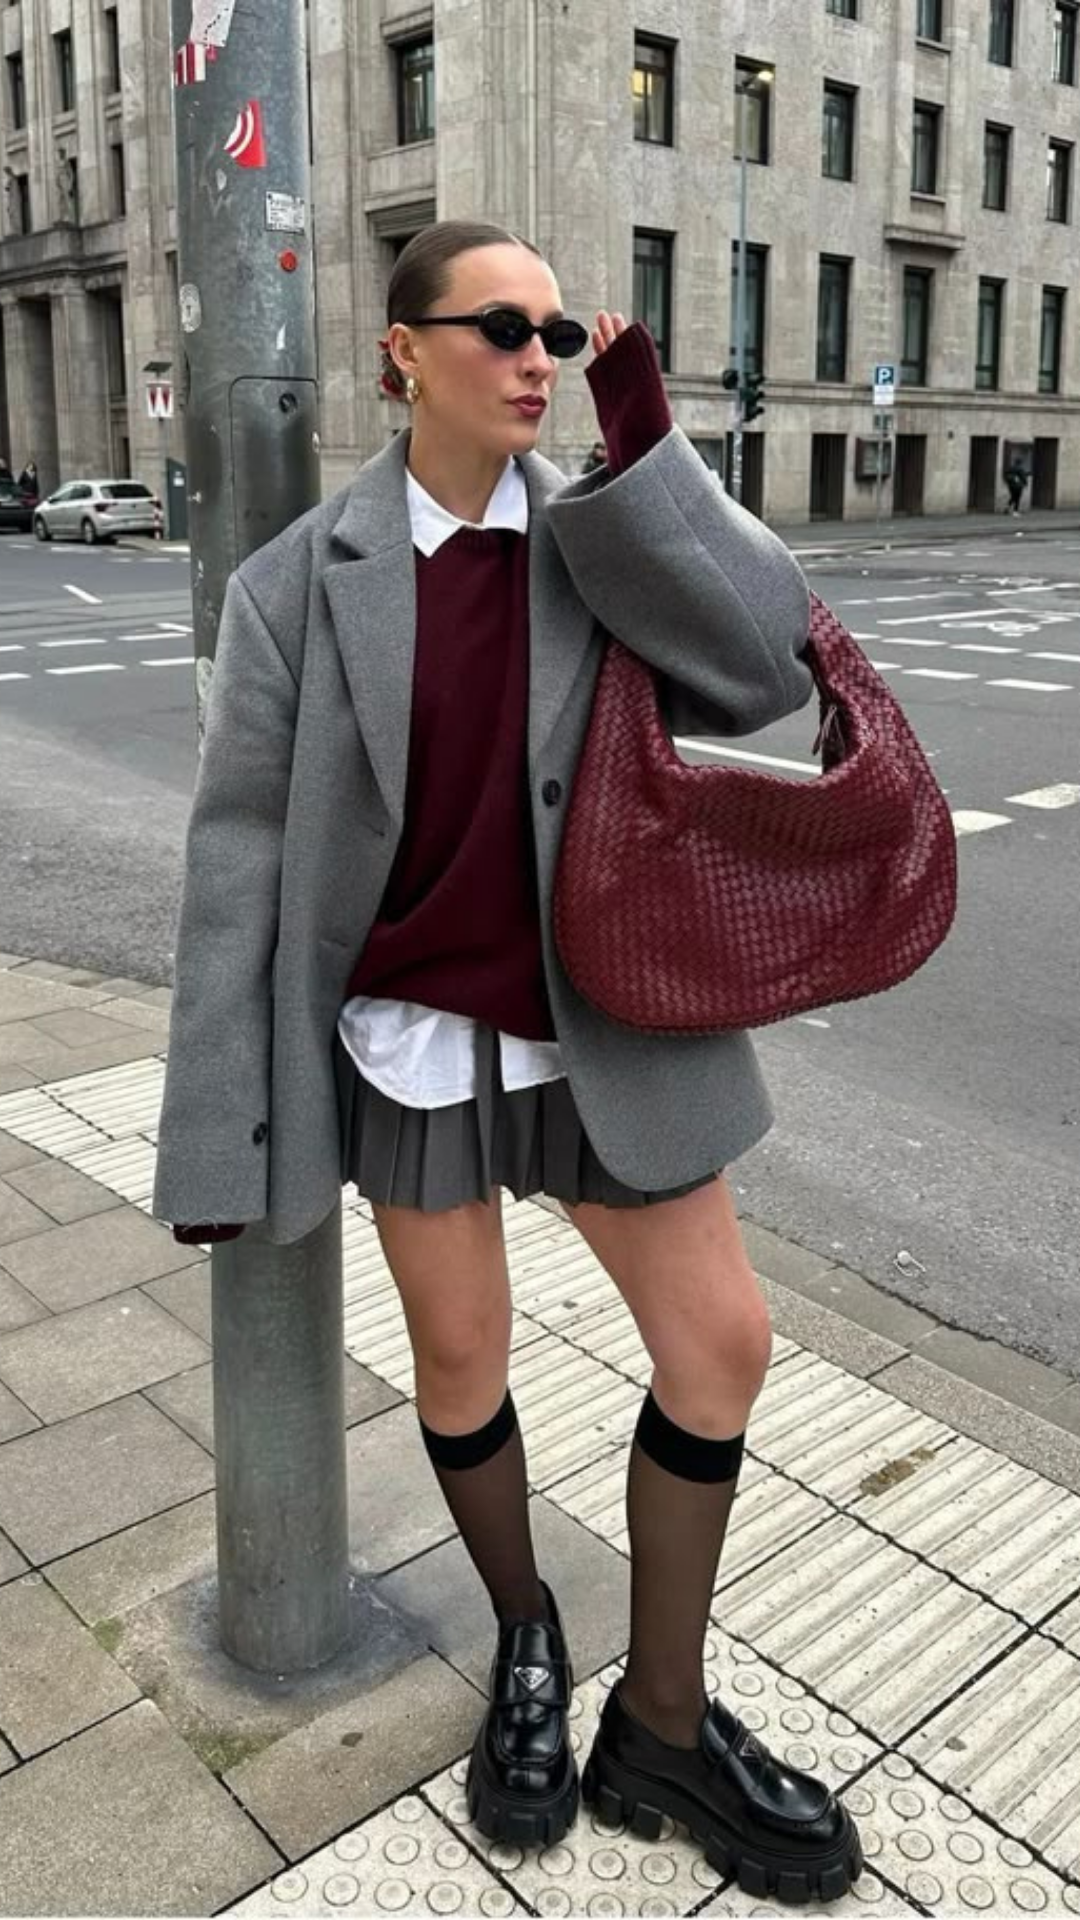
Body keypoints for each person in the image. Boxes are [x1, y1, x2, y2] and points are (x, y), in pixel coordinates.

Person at [153, 219, 862, 1904]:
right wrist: (214, 1134)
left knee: (725, 1345)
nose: (538, 354)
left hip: (603, 1014)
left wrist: (651, 447)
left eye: (557, 329)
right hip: (411, 1040)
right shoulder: (298, 585)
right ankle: (531, 1637)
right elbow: (237, 868)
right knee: (462, 1372)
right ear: (404, 351)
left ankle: (667, 1725)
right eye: (503, 327)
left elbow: (770, 664)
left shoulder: (599, 536)